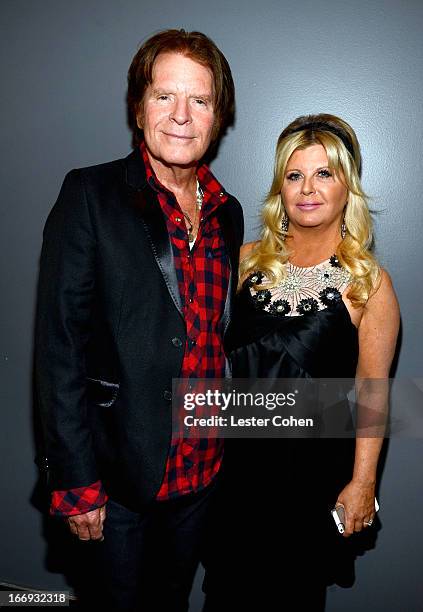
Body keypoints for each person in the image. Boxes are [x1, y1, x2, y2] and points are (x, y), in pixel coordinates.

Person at [34, 29, 243, 611]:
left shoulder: (229, 213)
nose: (181, 116)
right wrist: (75, 483)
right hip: (117, 482)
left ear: (218, 115)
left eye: (199, 100)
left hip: (203, 475)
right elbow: (60, 349)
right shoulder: (90, 194)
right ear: (138, 107)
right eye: (163, 96)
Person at [202, 114, 399, 611]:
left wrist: (363, 482)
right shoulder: (243, 261)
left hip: (308, 485)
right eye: (295, 175)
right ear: (280, 188)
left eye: (323, 174)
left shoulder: (369, 284)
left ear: (346, 188)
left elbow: (372, 393)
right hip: (232, 478)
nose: (308, 189)